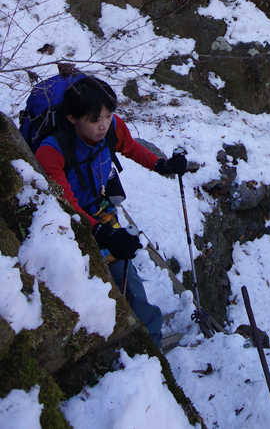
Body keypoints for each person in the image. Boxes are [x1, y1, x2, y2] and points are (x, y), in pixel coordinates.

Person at [35, 76, 187, 349]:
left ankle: (151, 341)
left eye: (108, 115)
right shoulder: (52, 151)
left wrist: (162, 165)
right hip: (66, 219)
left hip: (98, 207)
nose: (104, 124)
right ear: (72, 118)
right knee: (113, 271)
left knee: (125, 273)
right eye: (95, 119)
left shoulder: (112, 129)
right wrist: (102, 234)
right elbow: (66, 205)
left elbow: (131, 147)